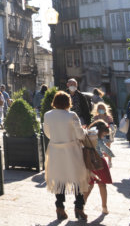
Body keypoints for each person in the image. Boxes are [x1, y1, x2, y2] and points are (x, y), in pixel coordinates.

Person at [44, 91, 91, 222]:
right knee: (78, 178)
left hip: (55, 151)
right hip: (71, 151)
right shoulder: (72, 115)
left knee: (59, 180)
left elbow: (47, 133)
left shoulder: (47, 115)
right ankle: (79, 207)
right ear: (68, 102)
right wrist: (85, 131)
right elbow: (81, 135)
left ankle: (59, 208)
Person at [84, 120, 115, 215]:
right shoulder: (98, 139)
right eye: (103, 135)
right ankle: (104, 207)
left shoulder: (88, 136)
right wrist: (111, 155)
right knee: (102, 184)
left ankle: (81, 205)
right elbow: (105, 148)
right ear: (100, 132)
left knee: (89, 185)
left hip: (89, 163)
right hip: (100, 163)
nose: (103, 137)